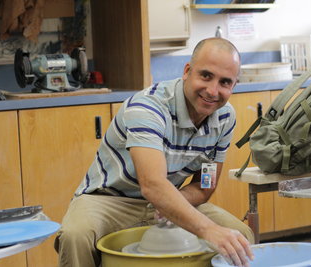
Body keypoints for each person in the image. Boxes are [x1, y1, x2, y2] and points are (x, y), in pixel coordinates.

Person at [55, 37, 255, 267]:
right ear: (187, 71)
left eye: (225, 82)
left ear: (233, 86)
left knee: (240, 236)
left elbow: (204, 185)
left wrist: (173, 204)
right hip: (109, 201)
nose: (212, 91)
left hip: (168, 197)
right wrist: (209, 229)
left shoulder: (225, 117)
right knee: (75, 235)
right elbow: (152, 184)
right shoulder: (148, 107)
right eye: (206, 76)